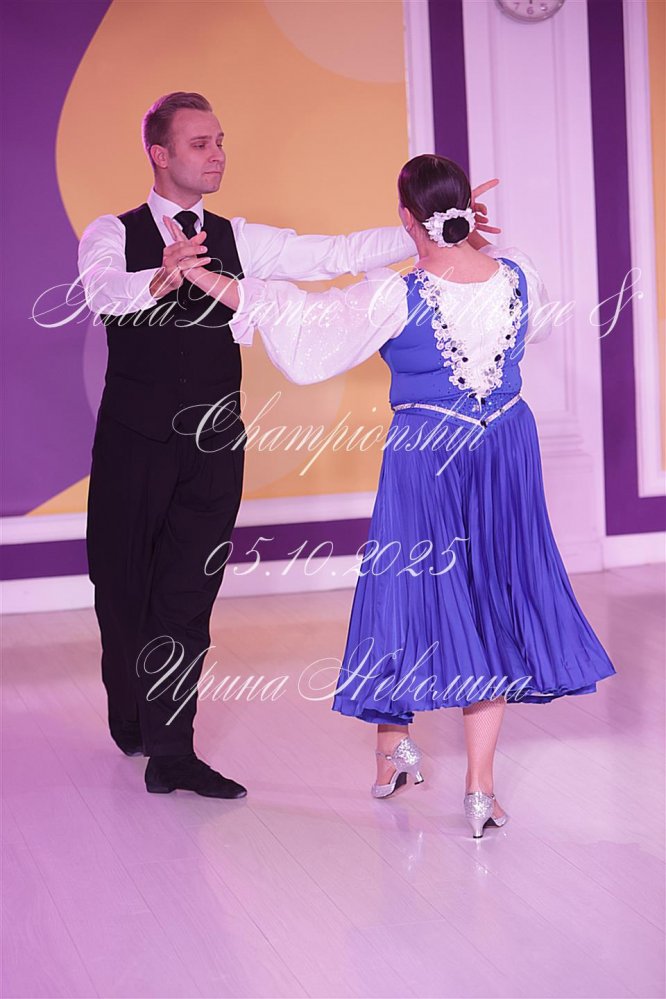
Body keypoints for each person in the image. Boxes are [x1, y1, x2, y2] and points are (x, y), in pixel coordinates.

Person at [177, 153, 618, 835]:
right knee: (491, 599)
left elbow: (301, 320)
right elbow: (531, 326)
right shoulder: (521, 274)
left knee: (404, 591)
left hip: (426, 453)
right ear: (467, 211)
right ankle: (476, 789)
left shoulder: (394, 294)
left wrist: (201, 275)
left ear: (407, 219)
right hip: (505, 445)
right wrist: (473, 245)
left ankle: (395, 748)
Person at [77, 91, 500, 800]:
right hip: (132, 445)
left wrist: (436, 226)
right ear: (159, 153)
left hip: (214, 444)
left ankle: (172, 752)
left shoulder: (239, 237)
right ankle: (134, 715)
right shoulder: (112, 232)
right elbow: (101, 293)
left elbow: (336, 254)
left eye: (220, 141)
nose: (217, 154)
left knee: (187, 593)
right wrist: (161, 273)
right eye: (200, 144)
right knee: (121, 591)